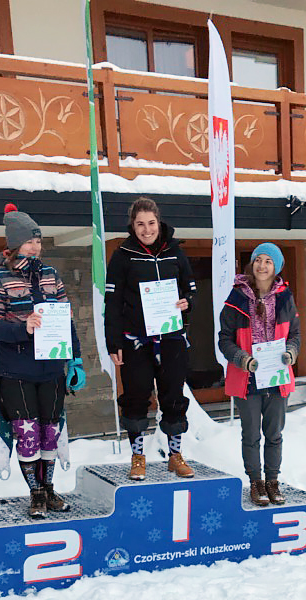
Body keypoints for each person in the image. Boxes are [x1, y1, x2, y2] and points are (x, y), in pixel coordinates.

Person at [0, 204, 86, 518]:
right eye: (30, 241)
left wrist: (75, 360)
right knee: (27, 433)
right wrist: (23, 328)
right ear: (14, 244)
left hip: (51, 369)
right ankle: (35, 493)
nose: (36, 246)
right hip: (16, 371)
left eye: (38, 240)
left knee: (50, 433)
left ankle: (50, 489)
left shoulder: (51, 275)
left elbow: (66, 321)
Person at [105, 197, 197, 481]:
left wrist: (186, 302)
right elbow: (113, 301)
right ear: (132, 226)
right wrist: (113, 341)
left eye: (151, 223)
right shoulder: (123, 255)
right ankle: (138, 456)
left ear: (159, 222)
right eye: (140, 224)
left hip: (171, 337)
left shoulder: (175, 251)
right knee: (136, 396)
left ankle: (175, 455)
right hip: (136, 341)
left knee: (173, 395)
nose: (147, 230)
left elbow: (190, 289)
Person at [218, 243, 300, 507]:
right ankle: (256, 482)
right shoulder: (236, 298)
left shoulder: (285, 298)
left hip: (276, 377)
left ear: (276, 268)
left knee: (274, 434)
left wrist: (291, 352)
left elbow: (295, 335)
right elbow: (224, 339)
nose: (262, 265)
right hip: (248, 378)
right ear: (251, 264)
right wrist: (242, 359)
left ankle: (273, 481)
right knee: (251, 435)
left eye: (268, 261)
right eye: (258, 260)